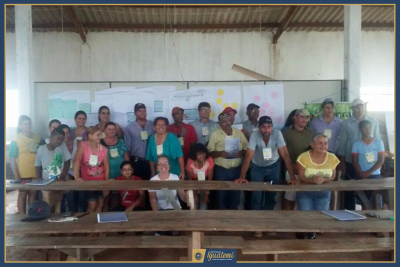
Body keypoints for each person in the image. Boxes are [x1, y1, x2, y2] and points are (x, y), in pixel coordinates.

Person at [337, 98, 380, 210]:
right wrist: (342, 162)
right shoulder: (346, 123)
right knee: (350, 190)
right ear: (352, 109)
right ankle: (349, 214)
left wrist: (380, 161)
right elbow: (342, 143)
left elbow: (377, 139)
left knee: (370, 193)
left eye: (361, 106)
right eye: (357, 106)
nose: (359, 108)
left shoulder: (373, 121)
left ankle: (370, 216)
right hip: (351, 162)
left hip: (369, 165)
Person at [296, 134, 340, 239]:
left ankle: (312, 233)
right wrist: (312, 180)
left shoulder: (332, 157)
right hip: (305, 192)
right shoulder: (303, 157)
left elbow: (333, 176)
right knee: (305, 216)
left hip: (323, 193)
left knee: (319, 217)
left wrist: (324, 179)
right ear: (312, 145)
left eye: (325, 143)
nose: (323, 146)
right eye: (320, 143)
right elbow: (301, 177)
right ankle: (302, 234)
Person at [207, 113, 248, 210]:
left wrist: (242, 152)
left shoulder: (238, 133)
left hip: (237, 170)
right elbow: (209, 152)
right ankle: (222, 222)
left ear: (231, 121)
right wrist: (220, 153)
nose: (227, 123)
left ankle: (233, 221)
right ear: (220, 124)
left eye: (228, 121)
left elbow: (247, 147)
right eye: (224, 121)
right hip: (221, 170)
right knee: (221, 197)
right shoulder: (215, 134)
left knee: (235, 197)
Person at [281, 109, 314, 210]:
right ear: (295, 117)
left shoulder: (311, 133)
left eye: (307, 117)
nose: (305, 120)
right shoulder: (286, 132)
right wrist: (292, 169)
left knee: (303, 199)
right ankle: (286, 222)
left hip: (307, 172)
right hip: (292, 170)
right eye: (302, 117)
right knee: (290, 198)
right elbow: (283, 153)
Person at [9, 115, 43, 214]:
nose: (28, 126)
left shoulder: (37, 136)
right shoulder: (16, 139)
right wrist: (17, 177)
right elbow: (12, 158)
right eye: (25, 124)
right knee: (23, 194)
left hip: (35, 171)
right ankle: (21, 216)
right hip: (22, 172)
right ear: (20, 126)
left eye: (29, 123)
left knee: (33, 193)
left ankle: (31, 214)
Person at [74, 126, 109, 212]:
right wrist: (76, 176)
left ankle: (97, 224)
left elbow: (107, 167)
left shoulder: (103, 149)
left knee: (100, 204)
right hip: (88, 181)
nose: (100, 137)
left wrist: (107, 185)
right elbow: (77, 160)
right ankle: (88, 224)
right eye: (98, 135)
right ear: (90, 135)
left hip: (101, 181)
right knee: (92, 205)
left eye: (101, 135)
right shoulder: (83, 145)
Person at [149, 156, 187, 236]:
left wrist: (190, 199)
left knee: (175, 233)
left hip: (175, 209)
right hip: (160, 210)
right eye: (160, 164)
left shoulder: (175, 177)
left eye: (166, 163)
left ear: (169, 166)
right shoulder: (152, 180)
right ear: (157, 167)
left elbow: (182, 195)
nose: (163, 166)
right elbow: (152, 199)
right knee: (159, 233)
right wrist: (157, 215)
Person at [34, 128, 72, 209]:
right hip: (46, 181)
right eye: (58, 138)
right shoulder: (41, 149)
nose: (59, 141)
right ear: (51, 137)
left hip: (58, 180)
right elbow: (37, 165)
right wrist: (38, 177)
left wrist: (62, 176)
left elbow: (67, 162)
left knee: (58, 202)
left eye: (61, 139)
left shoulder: (62, 146)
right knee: (47, 201)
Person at [352, 120, 385, 209]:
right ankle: (365, 220)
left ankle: (376, 220)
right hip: (362, 175)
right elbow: (354, 161)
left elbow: (381, 160)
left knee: (376, 200)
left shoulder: (378, 142)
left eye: (370, 128)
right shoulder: (356, 144)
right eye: (365, 128)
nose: (368, 130)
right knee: (364, 201)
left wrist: (368, 172)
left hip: (375, 175)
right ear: (360, 130)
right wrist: (361, 173)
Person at [101, 122, 130, 211]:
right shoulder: (100, 142)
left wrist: (128, 171)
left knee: (116, 198)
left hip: (119, 174)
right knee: (105, 199)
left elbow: (126, 158)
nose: (111, 131)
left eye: (113, 129)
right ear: (105, 130)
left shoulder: (121, 141)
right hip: (105, 174)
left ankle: (113, 220)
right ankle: (104, 220)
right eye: (109, 129)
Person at [124, 103, 154, 180]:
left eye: (144, 110)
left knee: (151, 185)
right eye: (140, 111)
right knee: (137, 186)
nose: (142, 113)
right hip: (136, 162)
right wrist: (129, 165)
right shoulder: (129, 128)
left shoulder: (153, 125)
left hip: (151, 161)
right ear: (135, 113)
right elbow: (127, 148)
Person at [186, 143, 214, 210]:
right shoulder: (190, 162)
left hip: (205, 184)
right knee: (193, 206)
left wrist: (206, 194)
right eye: (199, 154)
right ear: (194, 155)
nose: (202, 156)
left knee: (203, 206)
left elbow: (210, 180)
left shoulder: (209, 160)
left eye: (203, 153)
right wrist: (194, 194)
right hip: (193, 184)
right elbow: (190, 180)